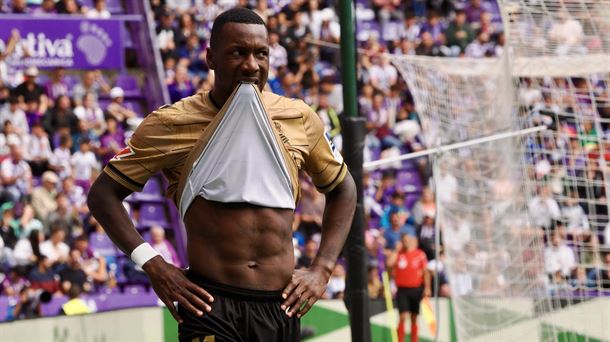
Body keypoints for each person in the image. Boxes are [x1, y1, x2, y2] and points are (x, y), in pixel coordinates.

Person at [87, 8, 356, 342]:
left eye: (261, 54)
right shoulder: (171, 123)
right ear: (211, 58)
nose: (251, 65)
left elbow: (344, 189)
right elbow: (102, 195)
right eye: (237, 53)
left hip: (280, 308)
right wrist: (153, 264)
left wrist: (322, 268)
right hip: (209, 305)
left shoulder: (298, 117)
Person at [387, 233, 431, 342]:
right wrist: (396, 250)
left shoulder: (419, 254)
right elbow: (389, 264)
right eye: (404, 240)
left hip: (416, 289)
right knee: (403, 316)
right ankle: (400, 340)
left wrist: (427, 288)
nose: (406, 242)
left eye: (408, 240)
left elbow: (426, 272)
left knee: (414, 317)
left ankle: (414, 340)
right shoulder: (399, 254)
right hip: (402, 290)